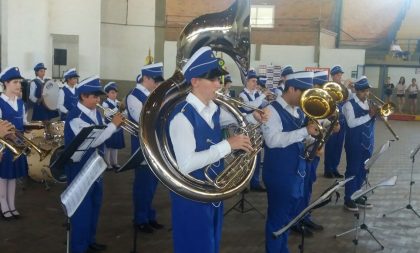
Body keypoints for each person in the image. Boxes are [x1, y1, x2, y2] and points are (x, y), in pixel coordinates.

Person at [168, 46, 269, 253]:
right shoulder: (181, 117)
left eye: (219, 80)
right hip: (192, 196)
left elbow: (233, 119)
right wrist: (228, 145)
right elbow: (185, 164)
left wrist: (253, 116)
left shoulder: (213, 109)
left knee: (211, 243)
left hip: (212, 191)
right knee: (195, 246)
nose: (219, 85)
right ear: (195, 81)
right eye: (213, 80)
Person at [64, 75, 123, 253]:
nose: (98, 100)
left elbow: (101, 128)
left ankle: (90, 240)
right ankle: (79, 247)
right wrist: (113, 126)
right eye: (95, 97)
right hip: (79, 167)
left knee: (95, 204)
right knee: (82, 209)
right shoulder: (75, 116)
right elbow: (94, 140)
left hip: (95, 165)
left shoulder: (95, 112)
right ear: (83, 96)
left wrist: (112, 124)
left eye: (99, 97)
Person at [261, 70, 319, 253]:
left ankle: (282, 249)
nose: (306, 98)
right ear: (292, 89)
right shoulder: (271, 110)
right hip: (279, 174)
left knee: (287, 219)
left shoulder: (298, 111)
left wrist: (314, 139)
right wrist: (305, 132)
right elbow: (272, 140)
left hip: (296, 172)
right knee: (277, 218)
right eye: (304, 92)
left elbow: (297, 139)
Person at [126, 62, 164, 233]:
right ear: (146, 78)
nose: (157, 83)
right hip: (142, 146)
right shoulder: (134, 96)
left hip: (154, 145)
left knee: (152, 184)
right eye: (154, 80)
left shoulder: (151, 94)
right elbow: (144, 120)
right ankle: (140, 219)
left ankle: (149, 215)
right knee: (143, 185)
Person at [342, 76, 376, 212]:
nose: (366, 94)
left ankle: (358, 194)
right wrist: (369, 115)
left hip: (368, 143)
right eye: (363, 92)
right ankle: (348, 198)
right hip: (354, 143)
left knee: (363, 170)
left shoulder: (369, 103)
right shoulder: (348, 105)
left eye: (367, 91)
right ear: (356, 91)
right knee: (353, 170)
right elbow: (351, 123)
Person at [0, 67, 29, 220]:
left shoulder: (20, 103)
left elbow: (23, 123)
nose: (19, 85)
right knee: (3, 177)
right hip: (4, 147)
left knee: (13, 177)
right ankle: (3, 205)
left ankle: (12, 205)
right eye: (15, 82)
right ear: (6, 83)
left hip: (17, 145)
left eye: (20, 82)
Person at [239, 70, 271, 191]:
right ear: (247, 81)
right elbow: (249, 106)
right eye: (253, 81)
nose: (255, 83)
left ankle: (255, 182)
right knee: (245, 157)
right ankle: (242, 184)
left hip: (257, 129)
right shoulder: (242, 95)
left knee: (256, 157)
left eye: (256, 81)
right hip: (246, 129)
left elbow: (264, 105)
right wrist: (263, 95)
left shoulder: (257, 94)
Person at [323, 65, 346, 178]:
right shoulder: (327, 88)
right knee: (330, 146)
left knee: (338, 146)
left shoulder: (343, 88)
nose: (340, 76)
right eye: (337, 75)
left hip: (341, 120)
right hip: (331, 120)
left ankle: (334, 168)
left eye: (340, 74)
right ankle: (328, 169)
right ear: (332, 76)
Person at [102, 82, 125, 170]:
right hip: (109, 126)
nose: (114, 94)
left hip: (118, 127)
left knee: (115, 147)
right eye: (112, 92)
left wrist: (123, 110)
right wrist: (118, 108)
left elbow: (124, 113)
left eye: (115, 92)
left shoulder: (118, 102)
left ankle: (115, 162)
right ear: (107, 93)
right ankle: (107, 164)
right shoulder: (105, 103)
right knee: (108, 146)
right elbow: (108, 114)